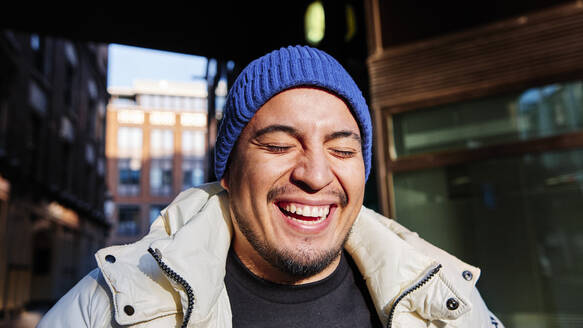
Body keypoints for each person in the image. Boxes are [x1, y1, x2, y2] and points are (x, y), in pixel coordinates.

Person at [38, 45, 504, 328]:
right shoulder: (112, 305)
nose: (317, 175)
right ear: (227, 169)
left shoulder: (447, 302)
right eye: (280, 145)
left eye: (342, 151)